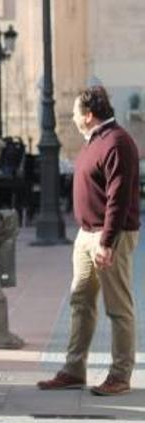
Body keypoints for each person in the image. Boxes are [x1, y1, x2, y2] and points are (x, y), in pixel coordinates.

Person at [37, 86, 140, 396]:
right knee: (80, 301)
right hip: (86, 234)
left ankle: (120, 375)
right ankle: (73, 369)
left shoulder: (117, 142)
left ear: (89, 115)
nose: (72, 118)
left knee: (118, 307)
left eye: (75, 113)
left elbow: (118, 199)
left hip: (111, 235)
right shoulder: (95, 141)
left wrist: (107, 242)